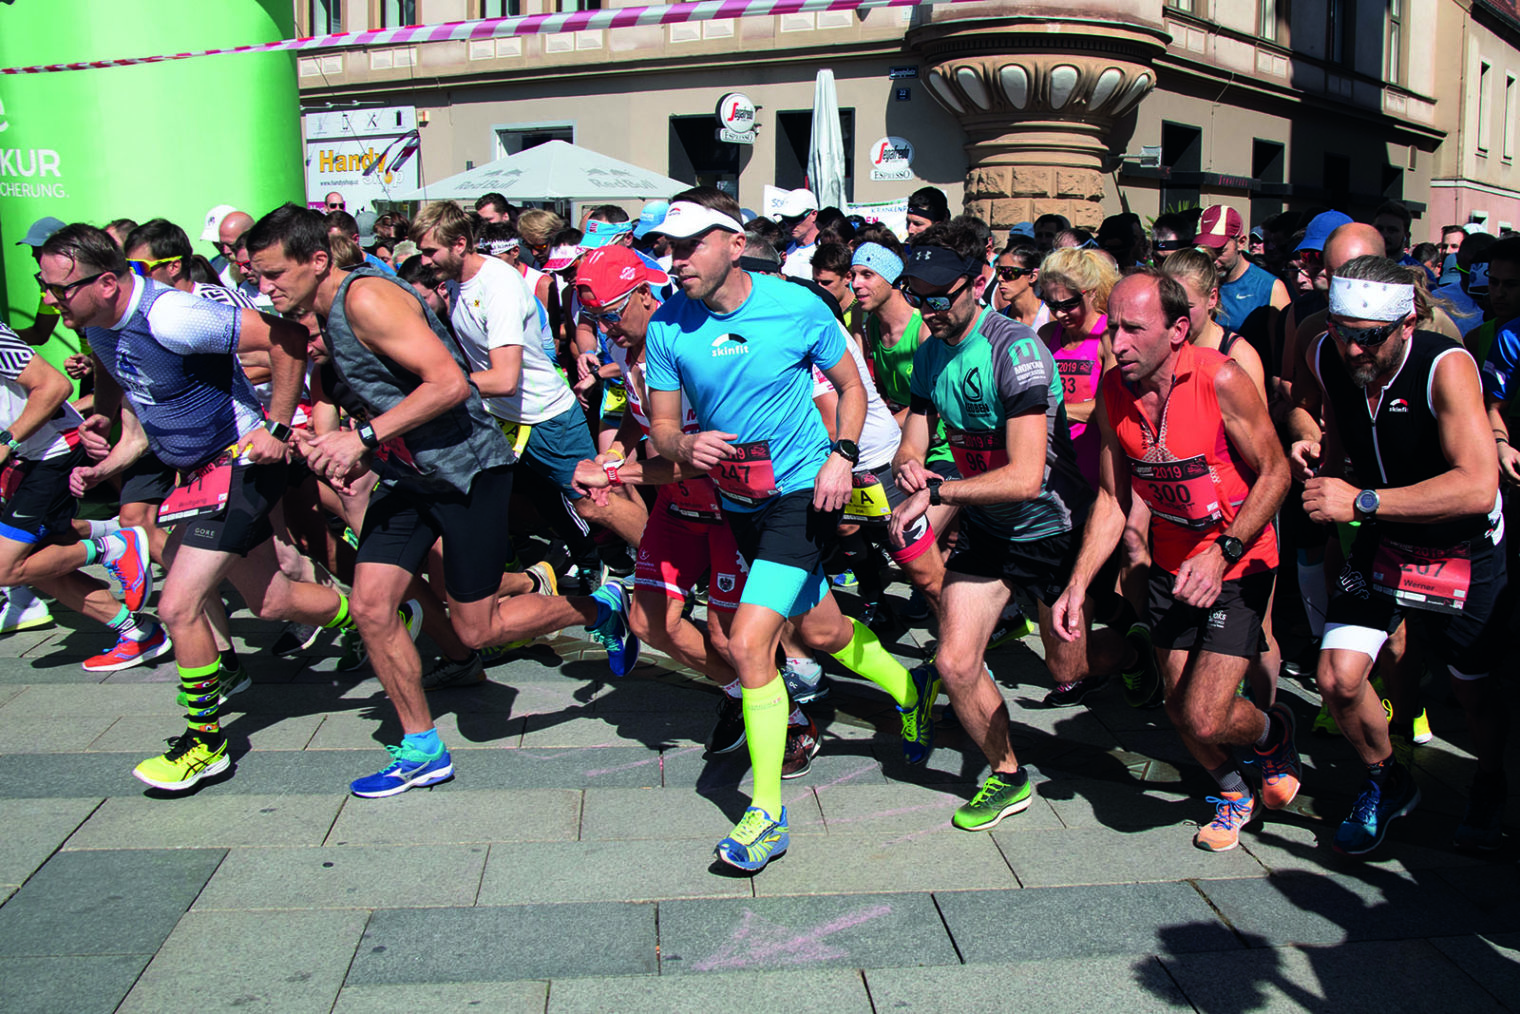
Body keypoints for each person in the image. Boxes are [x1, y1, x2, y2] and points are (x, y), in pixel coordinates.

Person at [247, 203, 637, 797]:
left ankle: (601, 609)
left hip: (469, 473)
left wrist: (365, 436)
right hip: (409, 479)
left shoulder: (365, 299)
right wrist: (314, 434)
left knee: (477, 630)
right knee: (373, 608)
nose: (263, 286)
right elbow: (328, 377)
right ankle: (421, 748)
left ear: (317, 261)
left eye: (273, 273)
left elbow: (452, 384)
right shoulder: (317, 314)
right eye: (256, 275)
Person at [643, 189, 936, 873]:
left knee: (749, 644)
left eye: (690, 247)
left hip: (805, 493)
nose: (677, 260)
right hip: (739, 501)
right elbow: (660, 427)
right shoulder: (668, 325)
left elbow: (853, 388)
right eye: (669, 248)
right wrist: (684, 448)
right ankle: (908, 689)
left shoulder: (797, 305)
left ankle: (766, 814)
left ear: (733, 245)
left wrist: (841, 454)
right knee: (820, 630)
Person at [41, 223, 351, 792]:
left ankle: (205, 743)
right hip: (198, 477)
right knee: (272, 600)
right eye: (46, 285)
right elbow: (129, 384)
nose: (50, 299)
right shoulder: (99, 323)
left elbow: (285, 338)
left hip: (240, 463)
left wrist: (277, 426)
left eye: (61, 288)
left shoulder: (172, 316)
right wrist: (109, 436)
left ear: (107, 282)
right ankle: (372, 618)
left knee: (179, 604)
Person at [889, 221, 1134, 828]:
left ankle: (1135, 651)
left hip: (1048, 530)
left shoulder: (1015, 352)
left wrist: (941, 491)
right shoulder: (928, 353)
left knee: (1067, 672)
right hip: (988, 531)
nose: (929, 309)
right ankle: (1006, 775)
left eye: (940, 296)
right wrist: (910, 474)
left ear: (980, 283)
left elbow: (1026, 477)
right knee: (954, 662)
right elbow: (912, 443)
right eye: (917, 295)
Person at [1053, 270, 1296, 854]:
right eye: (1112, 327)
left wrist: (1224, 548)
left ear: (1179, 329)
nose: (1119, 342)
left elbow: (1276, 472)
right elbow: (1113, 498)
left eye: (1134, 329)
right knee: (1175, 704)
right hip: (1170, 561)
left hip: (1238, 560)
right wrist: (1078, 585)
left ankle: (1273, 732)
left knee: (1205, 714)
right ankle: (1233, 790)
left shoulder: (1224, 380)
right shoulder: (1115, 391)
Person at [1290, 255, 1509, 854]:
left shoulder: (1446, 364)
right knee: (1336, 678)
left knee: (1472, 687)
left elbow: (1476, 485)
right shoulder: (1324, 349)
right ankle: (1388, 778)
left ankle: (1490, 778)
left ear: (1407, 323)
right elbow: (1318, 408)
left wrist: (1358, 499)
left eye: (1371, 339)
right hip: (1385, 535)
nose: (1355, 350)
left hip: (1460, 543)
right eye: (1343, 332)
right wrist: (1313, 446)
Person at [0, 320, 167, 672]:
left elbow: (54, 385)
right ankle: (137, 633)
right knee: (42, 562)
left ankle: (115, 546)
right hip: (28, 459)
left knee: (5, 566)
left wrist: (7, 441)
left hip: (53, 451)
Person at [1036, 247, 1119, 490]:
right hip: (1054, 466)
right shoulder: (1047, 334)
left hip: (1096, 469)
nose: (1060, 313)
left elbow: (1108, 411)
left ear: (1091, 293)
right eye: (1051, 304)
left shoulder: (1108, 337)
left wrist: (1049, 410)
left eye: (1070, 303)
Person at [1195, 205, 1289, 367]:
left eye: (1219, 250)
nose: (1213, 259)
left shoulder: (1271, 287)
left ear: (1241, 242)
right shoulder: (1198, 281)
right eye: (1207, 250)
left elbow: (1282, 357)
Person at [993, 242, 1050, 330]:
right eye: (999, 271)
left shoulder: (1050, 317)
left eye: (1009, 272)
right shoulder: (998, 319)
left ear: (1033, 276)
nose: (1000, 278)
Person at [772, 188, 820, 280]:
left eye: (796, 219)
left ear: (814, 214)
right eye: (785, 219)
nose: (790, 225)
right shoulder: (784, 250)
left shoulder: (828, 249)